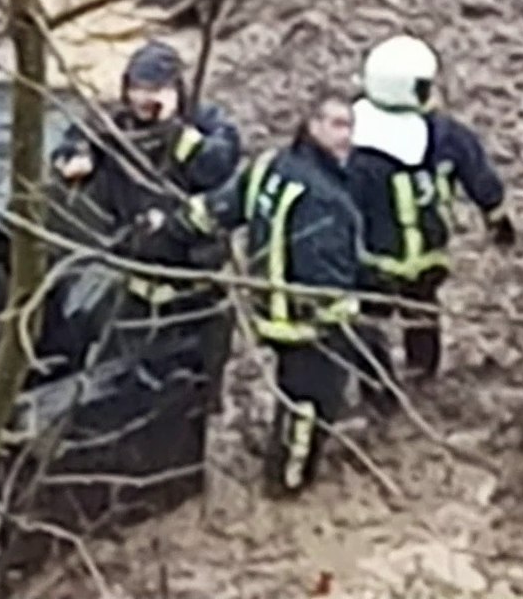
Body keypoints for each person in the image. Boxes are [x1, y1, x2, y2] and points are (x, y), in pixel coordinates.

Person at [164, 92, 385, 496]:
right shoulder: (326, 198)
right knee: (310, 405)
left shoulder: (269, 165)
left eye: (349, 126)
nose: (345, 137)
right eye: (336, 125)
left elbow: (221, 208)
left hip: (270, 308)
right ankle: (287, 482)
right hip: (309, 322)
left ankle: (295, 462)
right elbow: (328, 273)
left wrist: (172, 228)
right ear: (311, 124)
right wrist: (363, 295)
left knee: (301, 389)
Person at [51, 39, 242, 415]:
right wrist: (77, 158)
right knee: (125, 383)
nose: (142, 99)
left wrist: (176, 134)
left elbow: (219, 169)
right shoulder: (114, 126)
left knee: (196, 391)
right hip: (137, 284)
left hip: (197, 289)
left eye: (153, 90)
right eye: (136, 89)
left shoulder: (209, 127)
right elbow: (71, 147)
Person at [348, 34, 515, 392]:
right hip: (420, 253)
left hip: (372, 260)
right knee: (418, 314)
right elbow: (479, 177)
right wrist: (497, 217)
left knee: (371, 321)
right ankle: (417, 376)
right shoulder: (447, 136)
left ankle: (380, 388)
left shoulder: (352, 144)